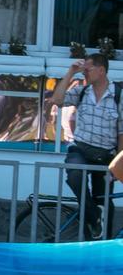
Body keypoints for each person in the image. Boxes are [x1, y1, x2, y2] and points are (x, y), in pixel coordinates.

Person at [51, 54, 123, 239]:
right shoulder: (82, 91)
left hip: (106, 154)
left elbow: (122, 133)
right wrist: (70, 72)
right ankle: (93, 218)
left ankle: (100, 241)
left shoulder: (118, 95)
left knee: (103, 201)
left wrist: (119, 163)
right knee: (75, 175)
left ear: (102, 70)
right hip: (80, 148)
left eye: (87, 69)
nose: (84, 73)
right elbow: (57, 100)